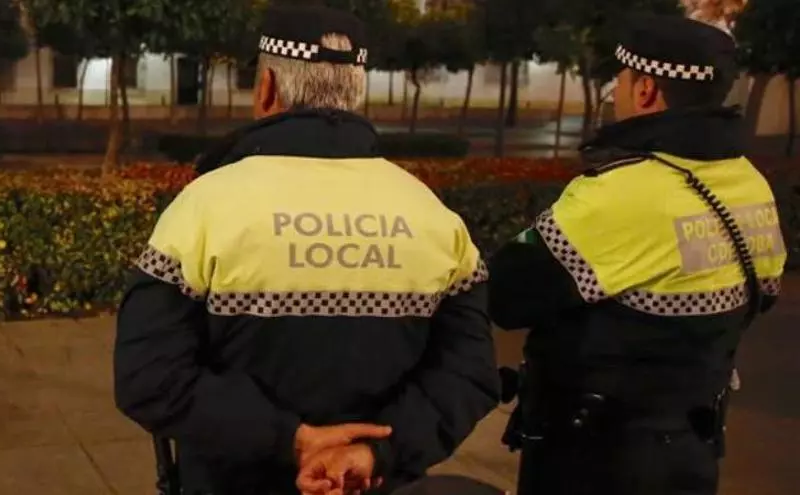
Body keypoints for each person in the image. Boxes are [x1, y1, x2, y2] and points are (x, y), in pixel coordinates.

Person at [113, 3, 500, 495]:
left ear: (267, 87)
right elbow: (468, 374)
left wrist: (293, 441)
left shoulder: (204, 206)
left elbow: (149, 377)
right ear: (356, 92)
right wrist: (374, 453)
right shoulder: (432, 214)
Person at [486, 13, 786, 495]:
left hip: (593, 460)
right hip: (693, 452)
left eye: (622, 79)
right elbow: (764, 293)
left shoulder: (621, 193)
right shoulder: (750, 184)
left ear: (645, 90)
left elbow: (505, 294)